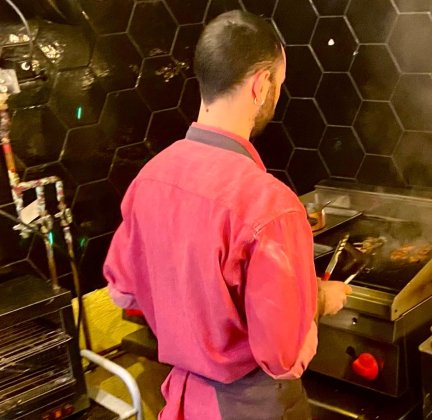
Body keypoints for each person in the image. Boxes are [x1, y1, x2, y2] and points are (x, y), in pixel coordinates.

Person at [103, 10, 352, 420]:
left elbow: (125, 294)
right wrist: (320, 298)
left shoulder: (150, 179)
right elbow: (282, 357)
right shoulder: (271, 207)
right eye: (279, 84)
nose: (277, 94)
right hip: (253, 408)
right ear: (260, 85)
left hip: (185, 403)